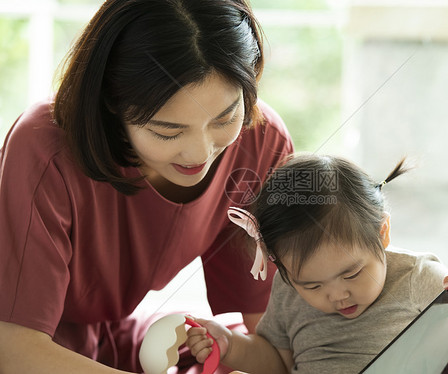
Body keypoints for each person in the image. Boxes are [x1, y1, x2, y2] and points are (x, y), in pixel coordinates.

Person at [0, 1, 293, 373]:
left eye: (225, 117)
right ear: (111, 103)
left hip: (112, 339)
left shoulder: (260, 140)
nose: (200, 153)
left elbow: (271, 338)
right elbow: (13, 348)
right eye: (166, 131)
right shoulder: (44, 147)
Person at [186, 154, 448, 374]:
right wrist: (231, 346)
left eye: (351, 273)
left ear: (382, 232)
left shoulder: (418, 277)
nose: (337, 295)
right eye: (313, 285)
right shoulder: (288, 290)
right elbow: (278, 364)